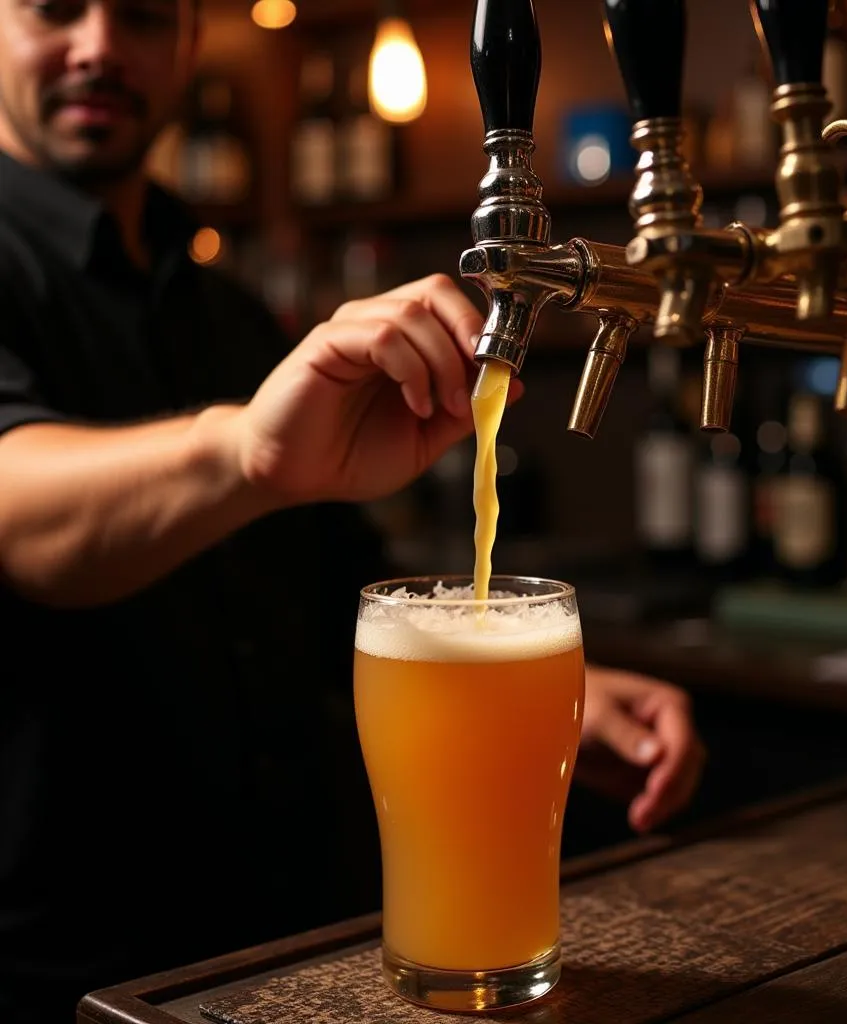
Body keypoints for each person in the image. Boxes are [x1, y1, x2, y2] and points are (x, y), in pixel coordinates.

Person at [0, 1, 705, 1021]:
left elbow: (345, 600)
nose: (101, 46)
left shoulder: (230, 312)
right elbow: (20, 516)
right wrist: (247, 452)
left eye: (146, 15)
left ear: (191, 43)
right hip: (68, 971)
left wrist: (545, 706)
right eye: (57, 6)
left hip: (293, 945)